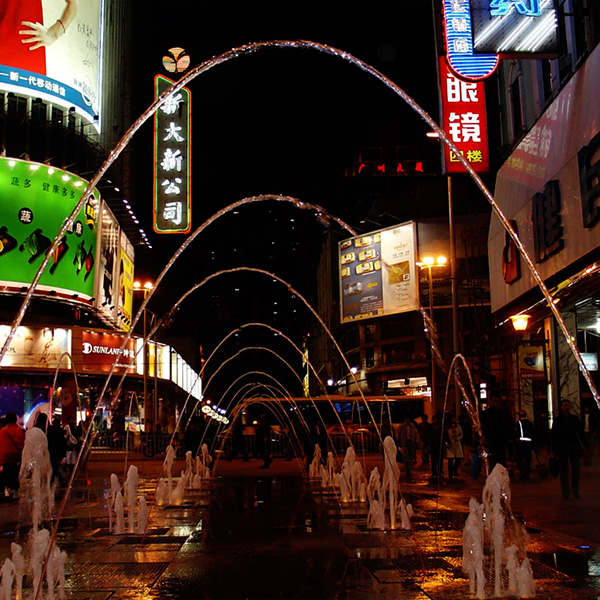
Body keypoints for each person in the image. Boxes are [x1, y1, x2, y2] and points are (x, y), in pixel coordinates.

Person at [551, 399, 590, 500]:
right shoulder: (557, 420)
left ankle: (575, 490)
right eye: (565, 405)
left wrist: (586, 445)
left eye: (568, 406)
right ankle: (566, 492)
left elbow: (580, 433)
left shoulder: (574, 419)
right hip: (562, 448)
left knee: (576, 470)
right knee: (564, 471)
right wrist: (553, 450)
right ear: (561, 407)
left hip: (573, 447)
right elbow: (554, 436)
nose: (567, 407)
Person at [480, 397, 513, 469]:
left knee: (501, 460)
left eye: (497, 402)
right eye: (494, 402)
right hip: (490, 441)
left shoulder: (504, 414)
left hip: (501, 442)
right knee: (492, 461)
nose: (495, 404)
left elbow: (509, 427)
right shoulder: (485, 415)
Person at [0, 412, 26, 499]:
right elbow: (21, 443)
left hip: (5, 457)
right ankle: (15, 491)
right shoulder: (19, 430)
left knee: (6, 473)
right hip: (16, 456)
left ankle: (7, 490)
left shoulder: (3, 431)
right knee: (15, 474)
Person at [47, 416, 68, 486]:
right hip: (60, 452)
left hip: (54, 452)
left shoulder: (52, 432)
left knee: (56, 467)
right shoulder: (61, 432)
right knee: (56, 466)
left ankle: (63, 481)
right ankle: (58, 481)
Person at [514, 410, 535, 480]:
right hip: (529, 444)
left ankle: (522, 471)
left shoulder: (518, 424)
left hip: (521, 444)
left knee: (519, 458)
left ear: (520, 416)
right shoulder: (530, 423)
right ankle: (527, 473)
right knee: (528, 459)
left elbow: (516, 434)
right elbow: (533, 433)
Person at [397, 414, 419, 481]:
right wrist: (399, 442)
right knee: (405, 456)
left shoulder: (412, 426)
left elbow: (416, 433)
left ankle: (409, 467)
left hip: (411, 442)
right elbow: (399, 434)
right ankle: (407, 468)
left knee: (410, 456)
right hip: (404, 442)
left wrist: (416, 441)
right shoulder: (402, 427)